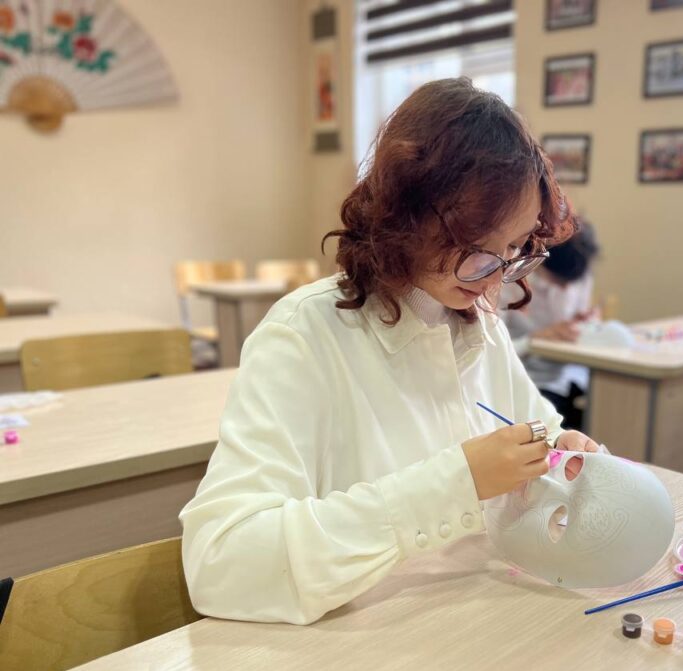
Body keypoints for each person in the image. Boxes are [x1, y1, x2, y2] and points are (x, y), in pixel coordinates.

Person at [179, 78, 602, 625]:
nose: (496, 278)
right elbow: (221, 564)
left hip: (470, 625)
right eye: (479, 248)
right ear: (406, 216)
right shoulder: (304, 336)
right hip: (353, 647)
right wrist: (456, 485)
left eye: (516, 248)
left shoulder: (480, 325)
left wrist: (561, 456)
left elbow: (536, 440)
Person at [502, 220, 599, 430]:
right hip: (532, 379)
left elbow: (578, 319)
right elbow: (492, 351)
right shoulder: (509, 282)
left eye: (571, 284)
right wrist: (535, 340)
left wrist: (585, 323)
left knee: (604, 404)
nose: (565, 290)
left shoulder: (580, 275)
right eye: (558, 283)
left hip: (572, 373)